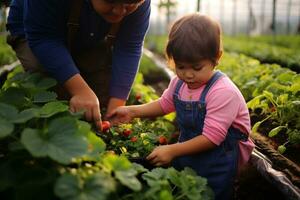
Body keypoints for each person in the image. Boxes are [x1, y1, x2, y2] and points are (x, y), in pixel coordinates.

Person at [108, 13, 255, 199]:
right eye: (181, 66)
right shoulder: (179, 83)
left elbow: (212, 138)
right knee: (183, 187)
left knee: (211, 194)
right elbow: (164, 104)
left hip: (218, 160)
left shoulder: (223, 92)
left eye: (196, 67)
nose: (188, 75)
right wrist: (132, 111)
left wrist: (172, 150)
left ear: (216, 57)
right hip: (188, 150)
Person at [6, 0, 150, 130]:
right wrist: (80, 91)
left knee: (99, 96)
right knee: (49, 83)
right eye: (110, 1)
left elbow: (128, 47)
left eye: (129, 3)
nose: (119, 11)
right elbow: (43, 38)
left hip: (88, 32)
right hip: (36, 29)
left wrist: (116, 108)